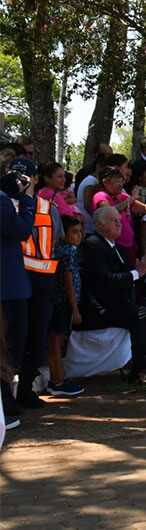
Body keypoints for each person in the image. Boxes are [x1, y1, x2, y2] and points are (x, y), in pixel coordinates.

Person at [78, 207, 146, 385]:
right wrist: (138, 271)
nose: (120, 223)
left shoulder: (118, 248)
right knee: (142, 314)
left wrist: (145, 268)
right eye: (113, 220)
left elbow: (133, 276)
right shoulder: (92, 245)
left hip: (122, 302)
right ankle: (137, 372)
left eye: (119, 220)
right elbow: (106, 280)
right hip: (102, 307)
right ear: (98, 224)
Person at [8, 158, 65, 408]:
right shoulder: (5, 204)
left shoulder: (48, 207)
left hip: (41, 280)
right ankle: (7, 393)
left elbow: (55, 242)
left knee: (37, 337)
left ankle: (26, 388)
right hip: (13, 280)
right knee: (13, 338)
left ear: (35, 179)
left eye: (26, 175)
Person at [0, 165, 37, 420]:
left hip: (13, 285)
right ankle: (5, 406)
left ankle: (8, 402)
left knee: (12, 344)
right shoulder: (2, 201)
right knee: (6, 346)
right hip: (7, 287)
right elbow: (21, 230)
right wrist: (27, 199)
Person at [44, 216, 86, 396]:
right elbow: (68, 281)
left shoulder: (63, 249)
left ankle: (58, 379)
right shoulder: (67, 251)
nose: (79, 236)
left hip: (60, 302)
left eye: (80, 232)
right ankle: (57, 381)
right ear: (63, 234)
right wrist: (75, 309)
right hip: (63, 303)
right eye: (74, 232)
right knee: (56, 342)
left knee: (56, 341)